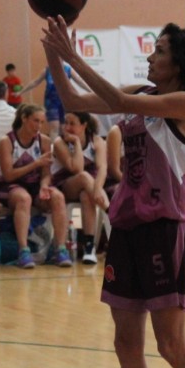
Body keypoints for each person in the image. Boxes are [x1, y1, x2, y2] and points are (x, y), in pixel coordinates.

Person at [42, 18, 185, 368]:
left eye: (159, 51)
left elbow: (121, 104)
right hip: (126, 228)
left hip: (165, 229)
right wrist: (55, 54)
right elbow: (74, 100)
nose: (151, 57)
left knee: (172, 345)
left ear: (179, 63)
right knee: (126, 344)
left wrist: (74, 57)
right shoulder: (142, 92)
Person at [0, 104, 73, 268]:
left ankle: (59, 249)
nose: (38, 126)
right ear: (24, 118)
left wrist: (44, 185)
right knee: (23, 199)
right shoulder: (7, 141)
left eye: (42, 122)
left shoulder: (44, 141)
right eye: (35, 121)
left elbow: (46, 173)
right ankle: (23, 251)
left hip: (34, 186)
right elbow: (8, 174)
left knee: (58, 197)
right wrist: (35, 164)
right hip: (10, 186)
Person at [51, 111, 109, 264]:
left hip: (91, 189)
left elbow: (103, 168)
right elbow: (76, 168)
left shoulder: (97, 141)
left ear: (84, 125)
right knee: (83, 177)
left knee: (86, 196)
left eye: (72, 123)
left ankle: (89, 248)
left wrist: (96, 190)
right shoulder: (59, 142)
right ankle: (111, 211)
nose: (67, 127)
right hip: (65, 186)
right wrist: (76, 142)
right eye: (66, 122)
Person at [22, 63, 89, 136]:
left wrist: (90, 90)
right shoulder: (47, 70)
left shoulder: (68, 69)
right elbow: (35, 82)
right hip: (51, 102)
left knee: (63, 128)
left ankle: (62, 145)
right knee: (54, 126)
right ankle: (53, 146)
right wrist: (21, 91)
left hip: (64, 102)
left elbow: (79, 81)